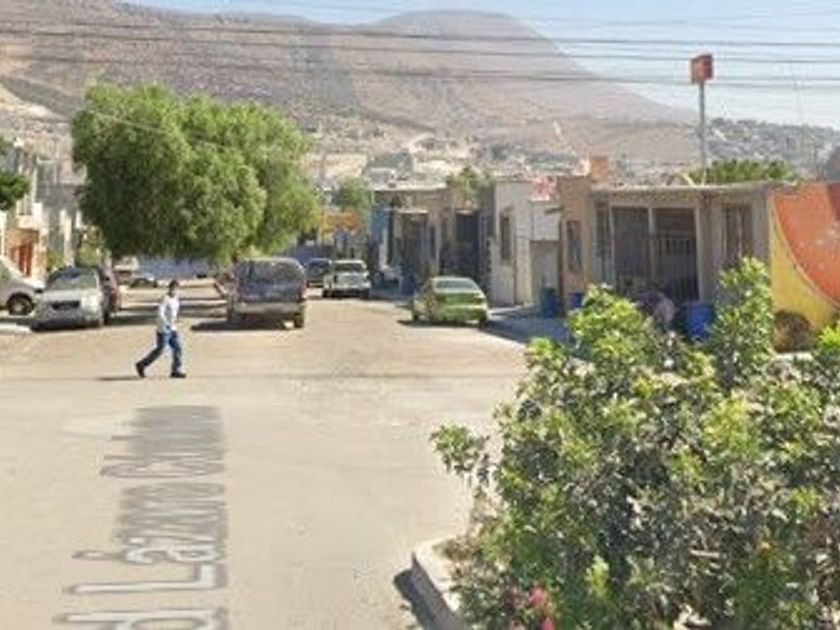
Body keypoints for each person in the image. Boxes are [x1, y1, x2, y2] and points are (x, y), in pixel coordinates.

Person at [135, 280, 186, 379]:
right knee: (160, 350)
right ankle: (141, 365)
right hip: (163, 330)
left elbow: (174, 313)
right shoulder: (165, 299)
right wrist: (166, 323)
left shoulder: (176, 299)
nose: (174, 290)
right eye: (173, 288)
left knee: (178, 348)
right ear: (169, 288)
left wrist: (175, 321)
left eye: (176, 289)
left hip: (173, 329)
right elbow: (160, 313)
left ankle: (176, 370)